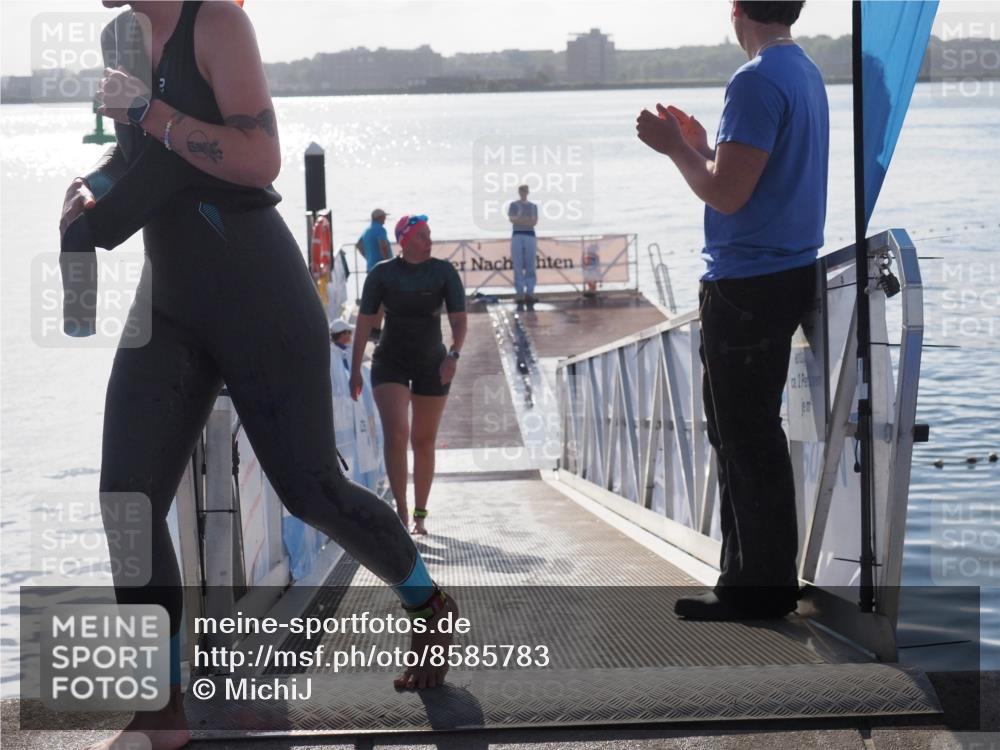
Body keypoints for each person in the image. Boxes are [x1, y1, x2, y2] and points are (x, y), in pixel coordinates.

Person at [61, 4, 457, 748]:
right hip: (169, 303)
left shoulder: (216, 24)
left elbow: (260, 156)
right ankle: (159, 705)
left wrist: (147, 110)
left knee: (311, 491)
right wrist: (89, 189)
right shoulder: (119, 34)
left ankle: (428, 604)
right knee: (126, 500)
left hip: (257, 292)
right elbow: (135, 158)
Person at [635, 0, 828, 620]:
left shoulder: (755, 80)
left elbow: (725, 194)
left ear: (737, 10)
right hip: (785, 271)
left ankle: (755, 588)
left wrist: (674, 149)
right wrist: (701, 146)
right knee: (749, 432)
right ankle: (757, 579)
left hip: (748, 282)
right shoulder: (804, 71)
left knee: (743, 435)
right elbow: (748, 175)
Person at [350, 215, 467, 536]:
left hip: (433, 362)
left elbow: (459, 319)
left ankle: (420, 514)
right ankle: (401, 511)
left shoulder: (443, 272)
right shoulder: (382, 274)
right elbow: (363, 323)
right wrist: (355, 370)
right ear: (405, 241)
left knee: (424, 440)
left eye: (429, 234)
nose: (429, 241)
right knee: (397, 433)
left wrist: (454, 355)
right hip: (391, 361)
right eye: (421, 236)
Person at [355, 208, 392, 338]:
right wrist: (389, 263)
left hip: (371, 267)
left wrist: (367, 257)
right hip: (382, 268)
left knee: (377, 299)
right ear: (379, 218)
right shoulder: (380, 230)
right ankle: (375, 329)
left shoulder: (367, 230)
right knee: (382, 300)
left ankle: (374, 329)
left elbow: (358, 245)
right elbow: (383, 246)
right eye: (384, 216)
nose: (385, 219)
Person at [507, 184, 538, 304]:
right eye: (521, 190)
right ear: (519, 192)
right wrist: (526, 220)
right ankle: (519, 293)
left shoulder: (533, 206)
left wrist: (521, 220)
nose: (523, 192)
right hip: (517, 235)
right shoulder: (514, 205)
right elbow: (512, 219)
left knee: (530, 266)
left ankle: (530, 292)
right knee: (518, 265)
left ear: (528, 192)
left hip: (530, 236)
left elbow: (534, 222)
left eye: (525, 190)